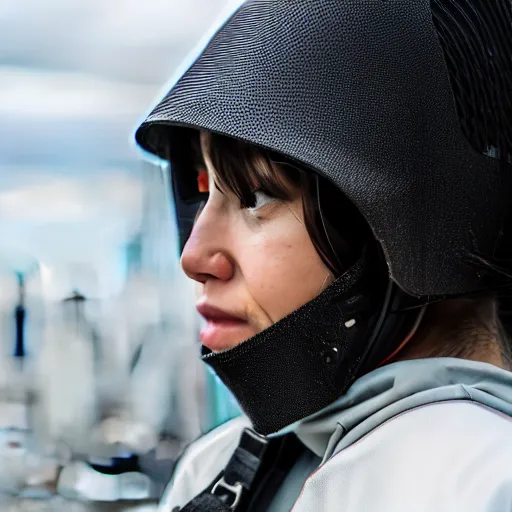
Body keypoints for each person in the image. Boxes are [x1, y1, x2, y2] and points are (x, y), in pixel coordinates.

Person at [135, 0, 512, 510]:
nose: (196, 256)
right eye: (204, 192)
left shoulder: (483, 481)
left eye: (258, 196)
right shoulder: (218, 468)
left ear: (410, 224)